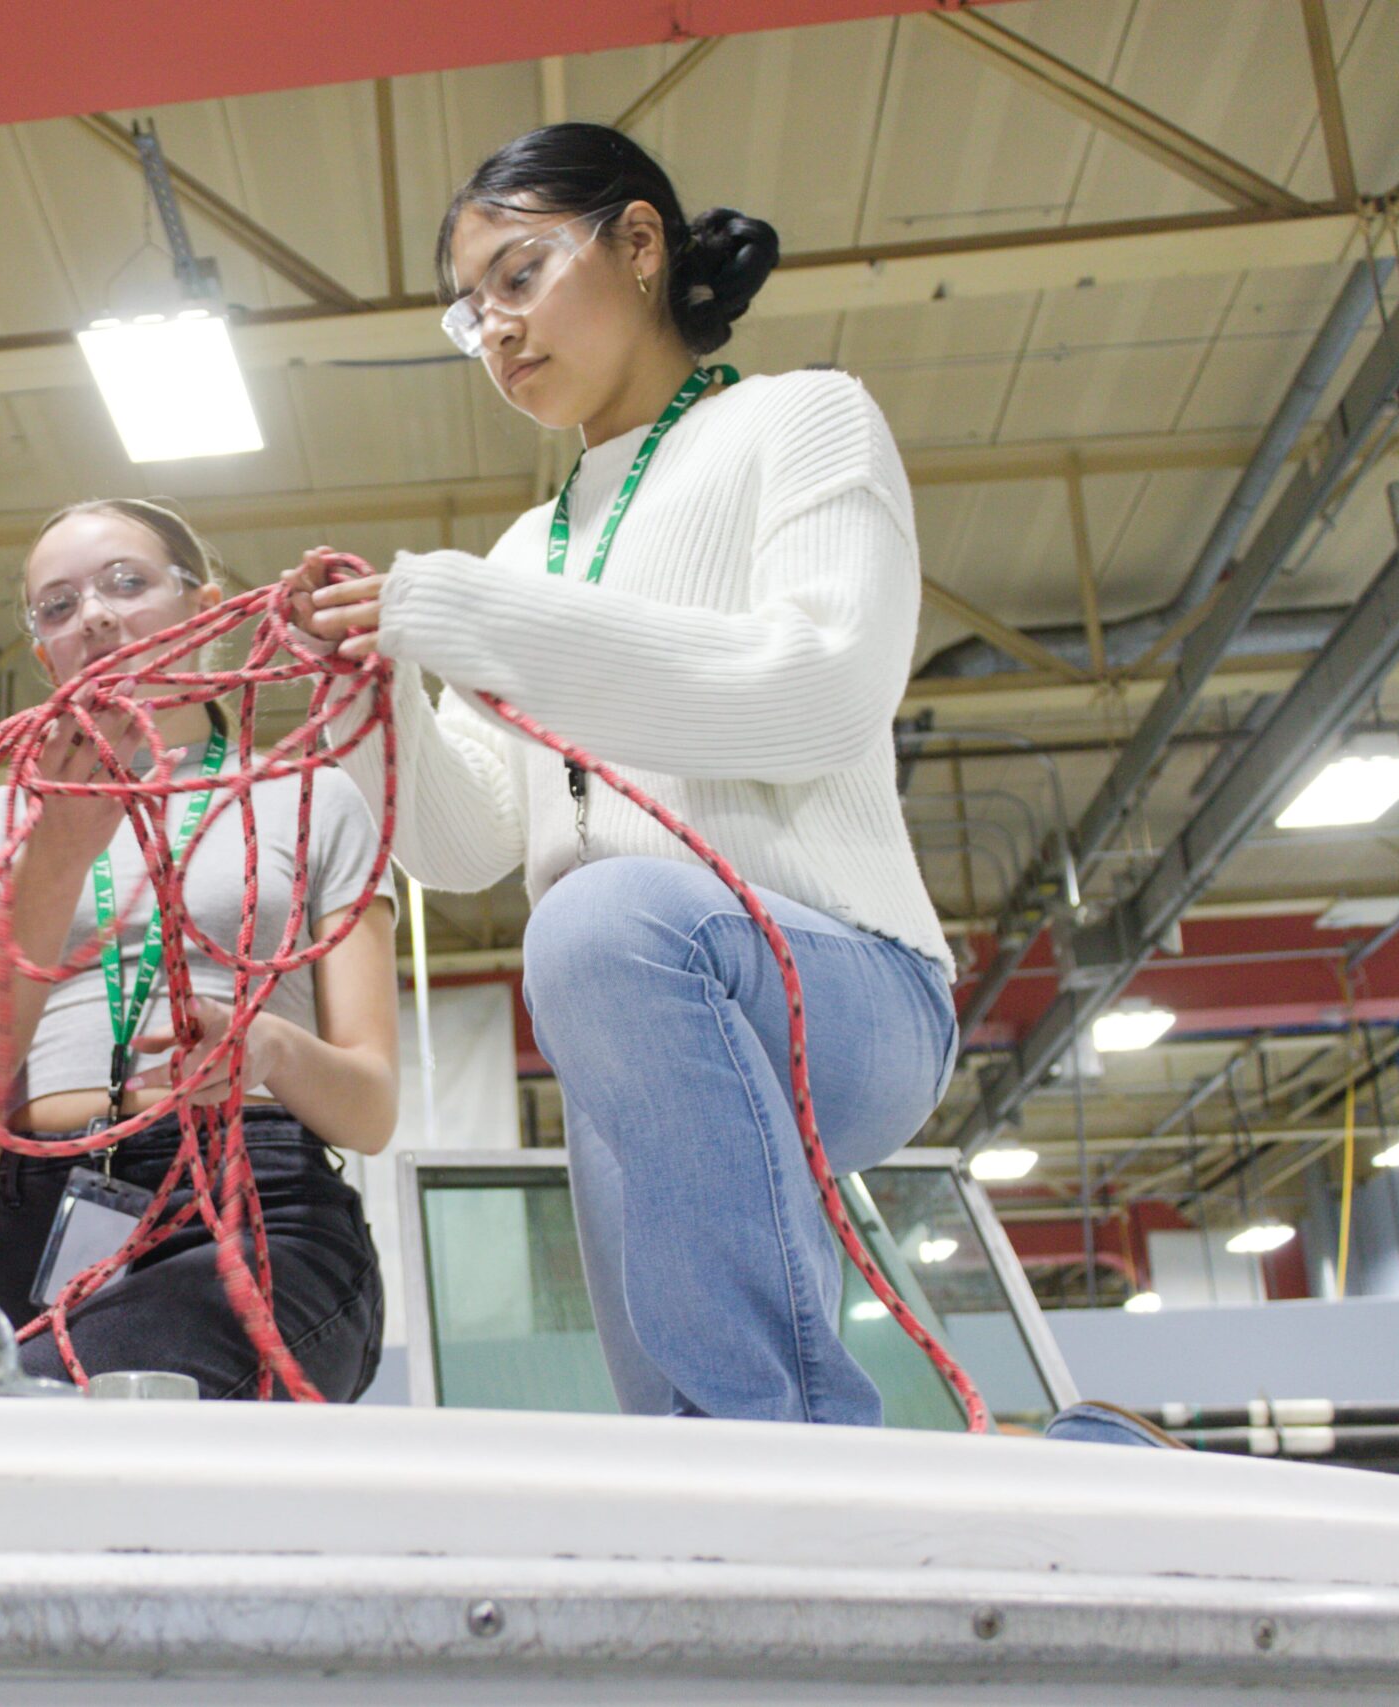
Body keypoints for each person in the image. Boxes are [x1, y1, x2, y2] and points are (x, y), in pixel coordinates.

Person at [287, 123, 959, 1428]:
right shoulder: (530, 544)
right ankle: (727, 1546)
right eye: (469, 313)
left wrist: (470, 616)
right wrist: (377, 690)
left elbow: (819, 691)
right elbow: (466, 841)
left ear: (639, 243)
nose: (496, 329)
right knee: (669, 1412)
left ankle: (811, 1450)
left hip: (850, 980)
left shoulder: (802, 419)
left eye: (521, 275)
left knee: (596, 920)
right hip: (634, 1005)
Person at [0, 499, 397, 1401]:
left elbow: (371, 1108)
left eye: (125, 583)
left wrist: (266, 1047)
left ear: (203, 606)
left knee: (65, 1411)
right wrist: (56, 854)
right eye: (58, 607)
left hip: (252, 1204)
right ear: (45, 656)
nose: (95, 616)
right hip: (41, 1211)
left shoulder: (314, 796)